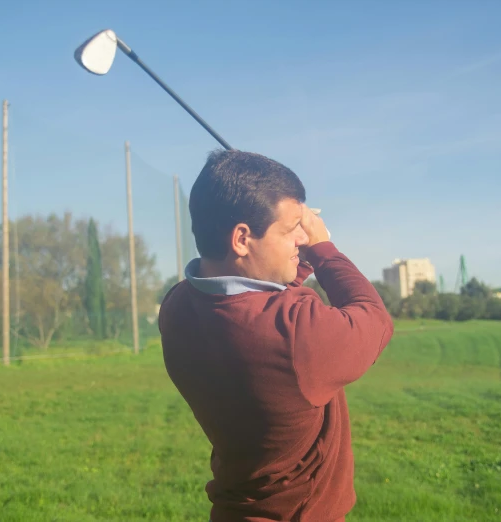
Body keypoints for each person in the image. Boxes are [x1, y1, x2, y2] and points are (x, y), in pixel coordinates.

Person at [158, 150, 394, 522]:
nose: (300, 238)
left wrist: (296, 245)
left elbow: (257, 301)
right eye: (290, 231)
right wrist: (324, 249)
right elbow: (374, 320)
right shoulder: (296, 333)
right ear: (241, 238)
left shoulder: (176, 308)